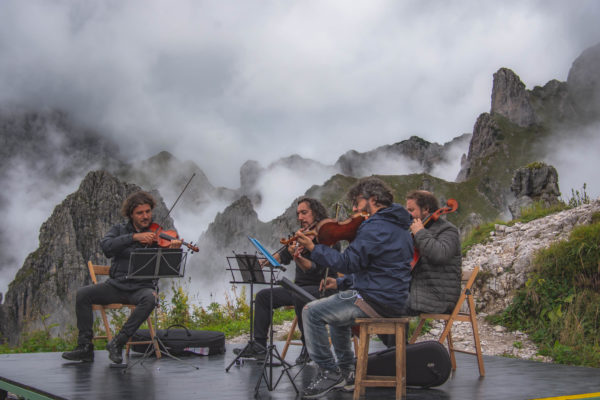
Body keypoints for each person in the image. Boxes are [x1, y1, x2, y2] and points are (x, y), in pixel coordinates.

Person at [295, 177, 413, 399]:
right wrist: (340, 282)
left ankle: (330, 373)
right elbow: (378, 269)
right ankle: (348, 373)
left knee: (311, 312)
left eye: (358, 203)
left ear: (373, 200)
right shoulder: (400, 226)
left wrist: (314, 247)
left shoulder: (375, 226)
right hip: (393, 299)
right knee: (338, 315)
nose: (355, 210)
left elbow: (348, 263)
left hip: (375, 300)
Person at [62, 191, 181, 364]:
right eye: (140, 213)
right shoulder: (119, 230)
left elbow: (168, 266)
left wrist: (172, 250)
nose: (145, 216)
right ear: (131, 214)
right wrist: (134, 237)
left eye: (148, 211)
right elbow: (107, 247)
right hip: (116, 286)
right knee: (83, 294)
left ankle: (118, 342)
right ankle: (85, 347)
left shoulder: (158, 235)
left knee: (150, 298)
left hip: (141, 288)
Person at [233, 197, 337, 364]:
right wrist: (264, 262)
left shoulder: (327, 236)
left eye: (304, 213)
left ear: (316, 213)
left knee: (300, 296)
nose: (300, 218)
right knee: (263, 297)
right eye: (298, 214)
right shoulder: (302, 237)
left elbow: (314, 268)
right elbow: (281, 256)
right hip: (300, 289)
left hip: (324, 288)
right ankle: (259, 346)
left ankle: (309, 347)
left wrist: (298, 258)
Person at [405, 190, 461, 315]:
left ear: (425, 209)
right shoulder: (418, 231)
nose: (408, 214)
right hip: (419, 293)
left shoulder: (448, 230)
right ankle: (399, 335)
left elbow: (440, 255)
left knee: (385, 304)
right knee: (377, 300)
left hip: (438, 297)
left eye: (411, 210)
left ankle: (399, 335)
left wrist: (420, 232)